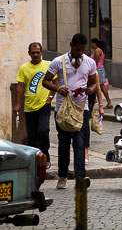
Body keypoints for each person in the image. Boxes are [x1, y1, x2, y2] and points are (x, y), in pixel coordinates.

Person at [42, 33, 98, 189]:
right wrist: (57, 88)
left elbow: (94, 83)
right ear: (71, 46)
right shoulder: (58, 62)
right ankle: (62, 176)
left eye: (82, 50)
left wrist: (89, 90)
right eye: (77, 50)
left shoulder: (90, 62)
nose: (80, 53)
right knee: (64, 144)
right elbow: (45, 81)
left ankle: (80, 177)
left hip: (82, 109)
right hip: (63, 110)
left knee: (80, 144)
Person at [14, 42, 55, 167]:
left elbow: (55, 81)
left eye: (38, 52)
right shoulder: (24, 68)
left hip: (44, 105)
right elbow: (20, 86)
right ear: (29, 54)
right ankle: (36, 159)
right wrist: (17, 104)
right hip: (29, 107)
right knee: (32, 136)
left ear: (41, 52)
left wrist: (50, 97)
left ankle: (46, 156)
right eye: (33, 53)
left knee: (43, 130)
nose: (36, 55)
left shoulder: (48, 65)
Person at [91, 38, 113, 108]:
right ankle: (96, 100)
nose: (91, 45)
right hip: (100, 69)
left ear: (95, 43)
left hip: (98, 69)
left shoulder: (97, 50)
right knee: (99, 86)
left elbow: (95, 61)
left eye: (91, 43)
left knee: (100, 86)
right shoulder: (100, 50)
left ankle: (108, 102)